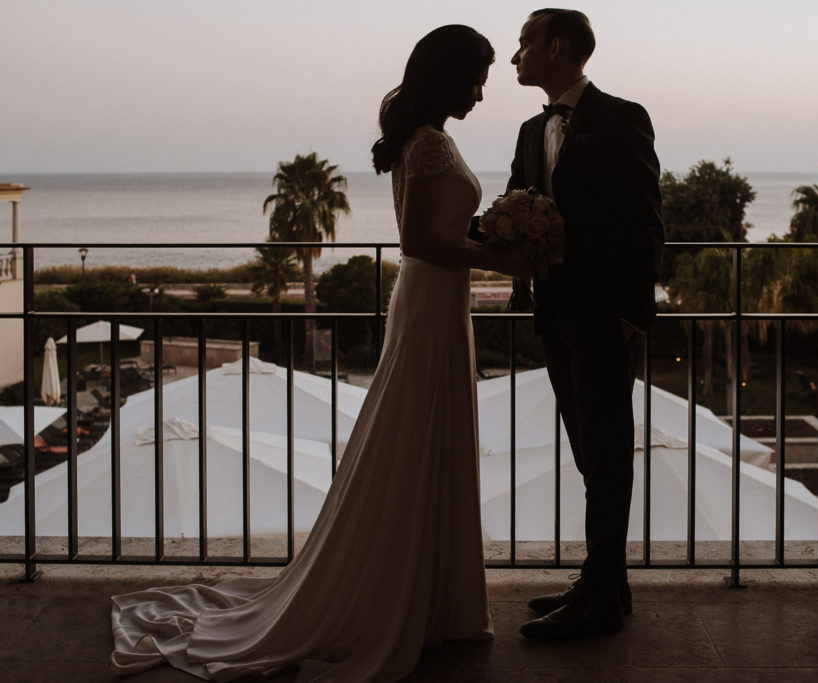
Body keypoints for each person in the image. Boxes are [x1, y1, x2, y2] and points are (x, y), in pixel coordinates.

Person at [110, 25, 525, 681]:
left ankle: (434, 601)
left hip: (440, 300)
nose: (480, 93)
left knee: (431, 436)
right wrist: (498, 258)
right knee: (415, 435)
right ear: (448, 77)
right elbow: (417, 241)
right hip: (429, 300)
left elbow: (441, 229)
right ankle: (405, 599)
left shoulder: (432, 141)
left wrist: (488, 239)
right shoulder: (429, 143)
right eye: (476, 79)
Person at [507, 9, 664, 640]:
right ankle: (608, 584)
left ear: (555, 47)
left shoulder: (622, 118)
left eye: (523, 43)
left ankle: (598, 599)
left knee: (607, 454)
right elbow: (517, 206)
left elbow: (646, 220)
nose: (515, 56)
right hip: (554, 312)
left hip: (603, 315)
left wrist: (630, 315)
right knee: (586, 451)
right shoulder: (529, 130)